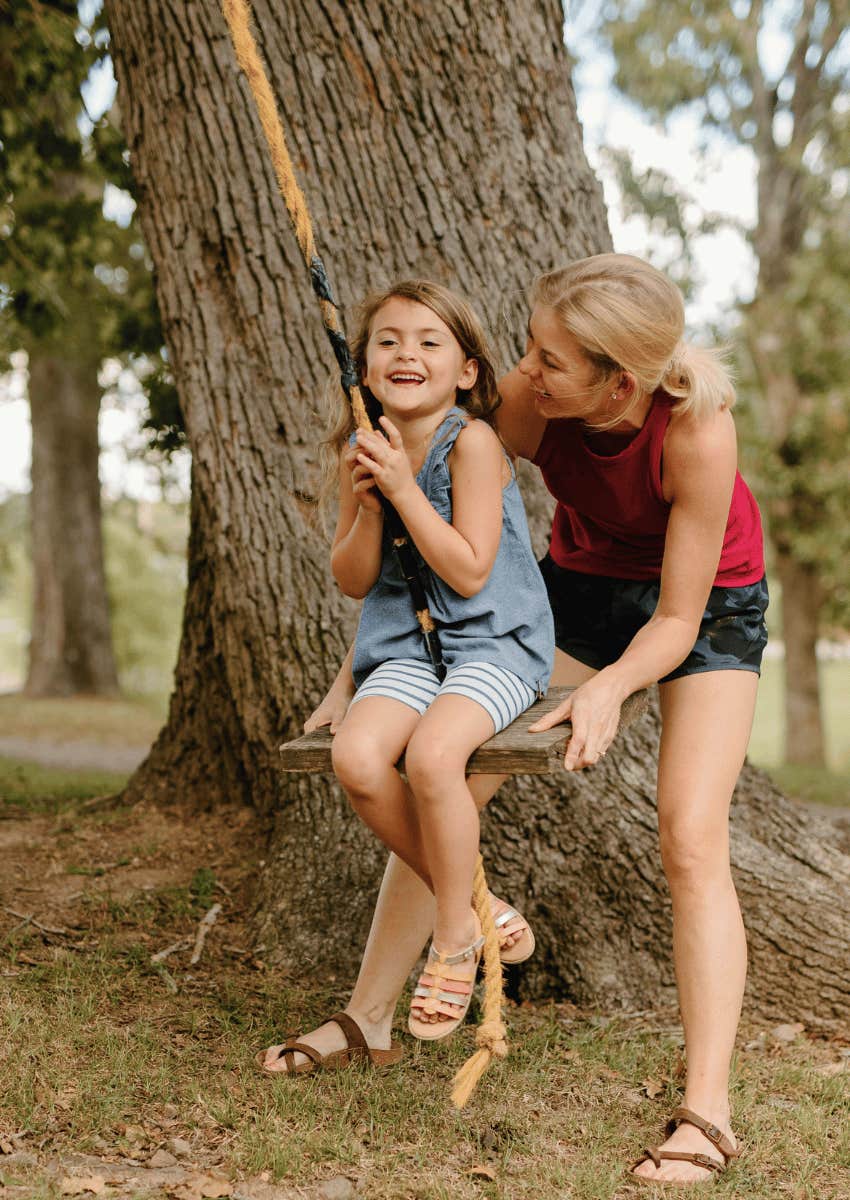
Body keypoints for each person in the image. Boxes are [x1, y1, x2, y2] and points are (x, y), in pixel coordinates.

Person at [259, 255, 767, 1188]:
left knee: (690, 836)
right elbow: (415, 558)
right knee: (446, 772)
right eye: (530, 348)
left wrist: (611, 688)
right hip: (574, 592)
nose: (523, 371)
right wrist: (353, 675)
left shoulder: (694, 431)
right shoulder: (528, 406)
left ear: (620, 381)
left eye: (550, 358)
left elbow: (677, 622)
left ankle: (707, 1111)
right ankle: (373, 1016)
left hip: (702, 610)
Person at [263, 279, 553, 1055]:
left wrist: (402, 488)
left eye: (429, 341)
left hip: (494, 644)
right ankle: (479, 910)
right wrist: (369, 495)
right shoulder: (367, 446)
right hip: (404, 650)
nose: (407, 354)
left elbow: (467, 569)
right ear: (363, 365)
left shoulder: (475, 444)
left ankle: (454, 936)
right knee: (358, 758)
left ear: (465, 369)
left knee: (432, 758)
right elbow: (355, 578)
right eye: (388, 341)